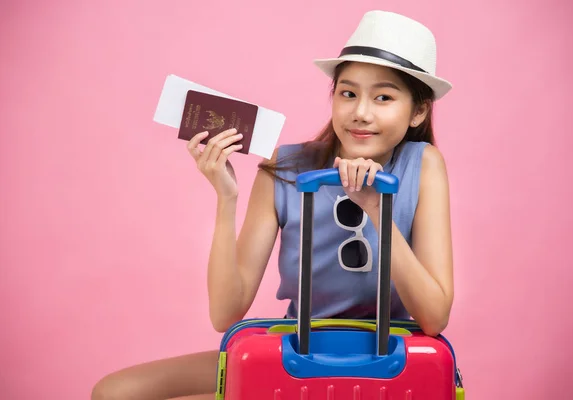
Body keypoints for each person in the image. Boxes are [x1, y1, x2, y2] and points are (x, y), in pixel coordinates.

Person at [91, 10, 454, 400]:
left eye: (383, 97)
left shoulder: (424, 165)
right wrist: (226, 197)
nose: (360, 112)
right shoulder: (285, 167)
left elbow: (434, 318)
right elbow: (225, 314)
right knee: (115, 393)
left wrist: (376, 210)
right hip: (296, 350)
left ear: (418, 111)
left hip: (386, 358)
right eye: (348, 93)